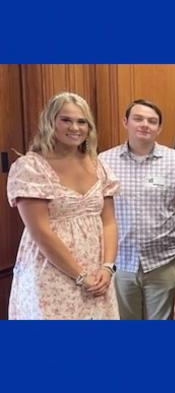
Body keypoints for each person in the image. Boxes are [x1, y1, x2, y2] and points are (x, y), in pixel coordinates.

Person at [6, 92, 119, 319]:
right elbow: (41, 233)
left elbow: (108, 222)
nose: (75, 127)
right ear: (51, 122)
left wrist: (107, 267)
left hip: (98, 274)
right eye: (66, 120)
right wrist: (80, 276)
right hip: (51, 273)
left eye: (82, 121)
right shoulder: (31, 167)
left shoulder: (99, 165)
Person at [99, 99, 175, 320]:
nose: (145, 125)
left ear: (159, 128)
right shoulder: (104, 161)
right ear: (126, 122)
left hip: (164, 263)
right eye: (138, 118)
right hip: (120, 263)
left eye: (152, 121)